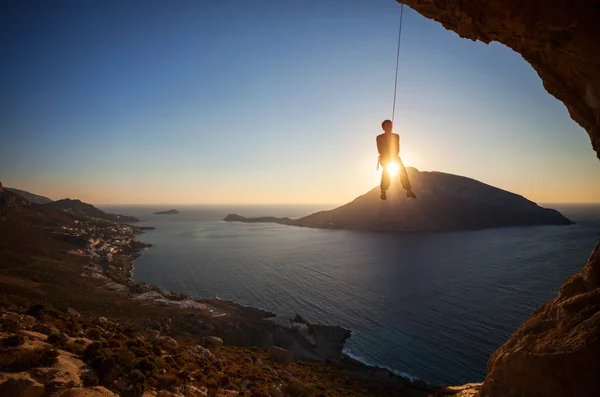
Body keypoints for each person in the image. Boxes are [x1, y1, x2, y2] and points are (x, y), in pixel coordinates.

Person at [376, 119, 416, 200]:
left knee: (402, 170)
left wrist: (393, 154)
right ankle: (383, 191)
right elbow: (380, 150)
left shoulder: (396, 136)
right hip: (384, 158)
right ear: (383, 128)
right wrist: (388, 154)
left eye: (390, 125)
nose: (390, 127)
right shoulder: (379, 137)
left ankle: (408, 190)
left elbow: (397, 148)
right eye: (388, 126)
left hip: (394, 156)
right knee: (386, 171)